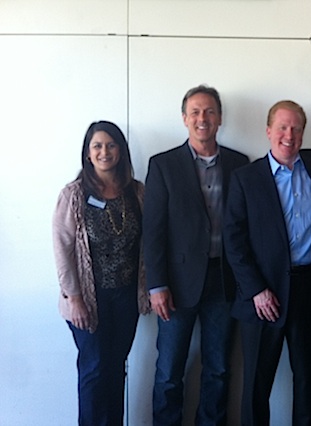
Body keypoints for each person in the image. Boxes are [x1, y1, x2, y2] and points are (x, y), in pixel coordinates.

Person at [144, 85, 249, 426]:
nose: (202, 119)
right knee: (170, 371)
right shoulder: (163, 165)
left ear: (219, 118)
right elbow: (154, 231)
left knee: (218, 369)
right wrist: (156, 284)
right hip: (176, 285)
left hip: (223, 282)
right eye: (195, 112)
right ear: (184, 119)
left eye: (209, 112)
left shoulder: (239, 164)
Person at [224, 100, 311, 426]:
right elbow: (234, 240)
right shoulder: (245, 178)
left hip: (309, 290)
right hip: (263, 295)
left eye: (297, 128)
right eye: (283, 127)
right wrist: (257, 289)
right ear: (269, 131)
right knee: (257, 387)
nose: (290, 135)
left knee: (308, 381)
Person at [53, 121, 149, 425]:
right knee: (94, 370)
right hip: (88, 300)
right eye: (97, 146)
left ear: (120, 151)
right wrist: (75, 298)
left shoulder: (137, 192)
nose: (104, 151)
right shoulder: (73, 195)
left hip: (125, 298)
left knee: (116, 368)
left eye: (110, 145)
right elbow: (63, 249)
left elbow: (149, 242)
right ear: (88, 154)